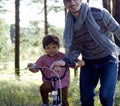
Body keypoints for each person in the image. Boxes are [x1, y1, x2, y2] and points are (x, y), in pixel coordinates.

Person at [50, 0, 120, 106]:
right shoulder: (70, 24)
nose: (72, 3)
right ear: (64, 3)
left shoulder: (99, 13)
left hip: (108, 60)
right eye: (68, 0)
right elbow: (75, 49)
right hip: (88, 63)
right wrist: (64, 61)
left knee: (105, 97)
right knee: (86, 100)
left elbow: (118, 30)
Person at [27, 34, 85, 106]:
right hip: (49, 82)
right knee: (43, 87)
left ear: (58, 47)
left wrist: (77, 63)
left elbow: (78, 62)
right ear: (45, 48)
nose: (51, 50)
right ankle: (45, 103)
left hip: (62, 83)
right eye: (48, 48)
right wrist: (31, 67)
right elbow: (35, 67)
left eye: (54, 47)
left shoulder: (63, 56)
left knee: (64, 101)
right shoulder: (43, 58)